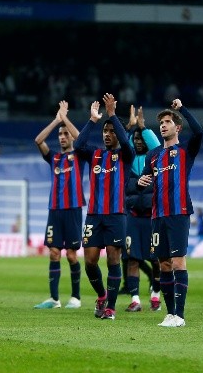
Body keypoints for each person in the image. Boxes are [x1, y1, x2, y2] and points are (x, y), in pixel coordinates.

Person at [138, 98, 203, 327]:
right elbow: (144, 179)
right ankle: (170, 313)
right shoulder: (153, 155)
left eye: (168, 122)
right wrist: (142, 180)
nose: (163, 125)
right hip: (158, 215)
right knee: (163, 264)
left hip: (178, 212)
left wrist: (182, 109)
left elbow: (199, 131)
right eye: (162, 122)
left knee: (178, 263)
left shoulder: (185, 150)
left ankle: (181, 316)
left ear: (177, 127)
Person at [73, 93, 134, 320]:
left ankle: (111, 307)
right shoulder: (95, 155)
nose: (107, 135)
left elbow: (127, 142)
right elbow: (78, 144)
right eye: (105, 132)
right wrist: (93, 120)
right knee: (89, 262)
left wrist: (112, 116)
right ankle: (101, 295)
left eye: (111, 132)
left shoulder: (125, 156)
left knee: (113, 259)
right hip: (94, 216)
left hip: (116, 216)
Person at [33, 100, 85, 309]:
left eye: (66, 134)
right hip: (54, 210)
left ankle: (76, 297)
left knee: (71, 255)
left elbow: (81, 138)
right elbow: (38, 140)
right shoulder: (54, 158)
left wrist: (65, 118)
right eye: (60, 135)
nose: (63, 137)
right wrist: (56, 121)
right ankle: (54, 299)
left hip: (72, 210)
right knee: (54, 253)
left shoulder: (80, 155)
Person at [122, 105, 162, 312]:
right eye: (135, 139)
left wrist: (143, 128)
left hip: (152, 218)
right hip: (133, 217)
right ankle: (135, 300)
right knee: (132, 260)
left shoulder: (154, 158)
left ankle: (155, 295)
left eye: (141, 139)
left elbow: (156, 145)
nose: (138, 142)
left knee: (156, 261)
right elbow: (124, 144)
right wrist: (130, 129)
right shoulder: (128, 161)